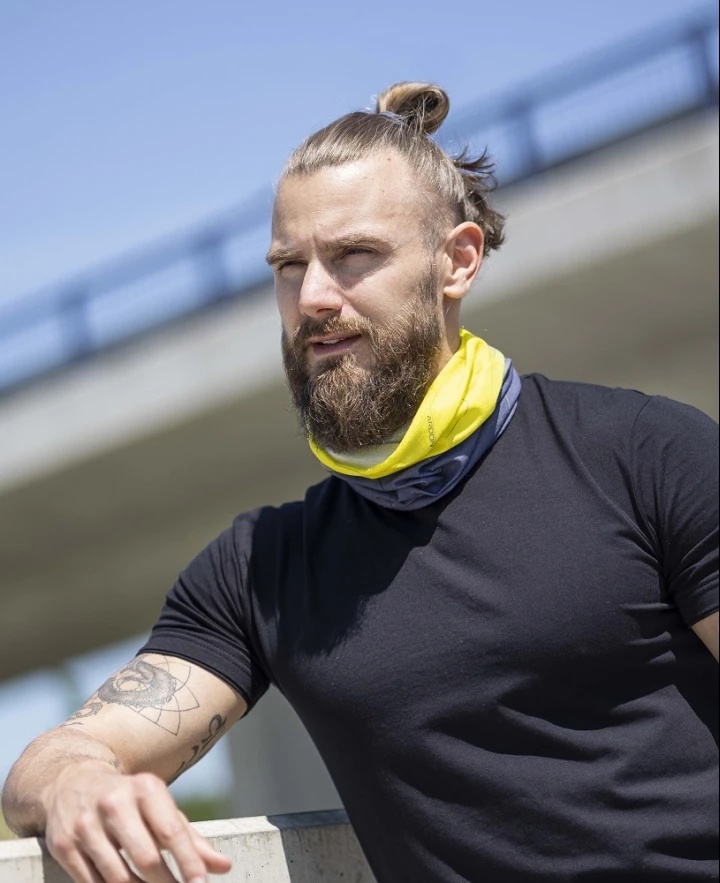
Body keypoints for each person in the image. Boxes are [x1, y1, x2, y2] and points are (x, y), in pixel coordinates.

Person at [2, 82, 718, 883]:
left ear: (458, 260)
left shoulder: (644, 454)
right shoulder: (262, 569)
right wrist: (76, 782)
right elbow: (60, 756)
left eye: (354, 256)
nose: (312, 297)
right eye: (288, 265)